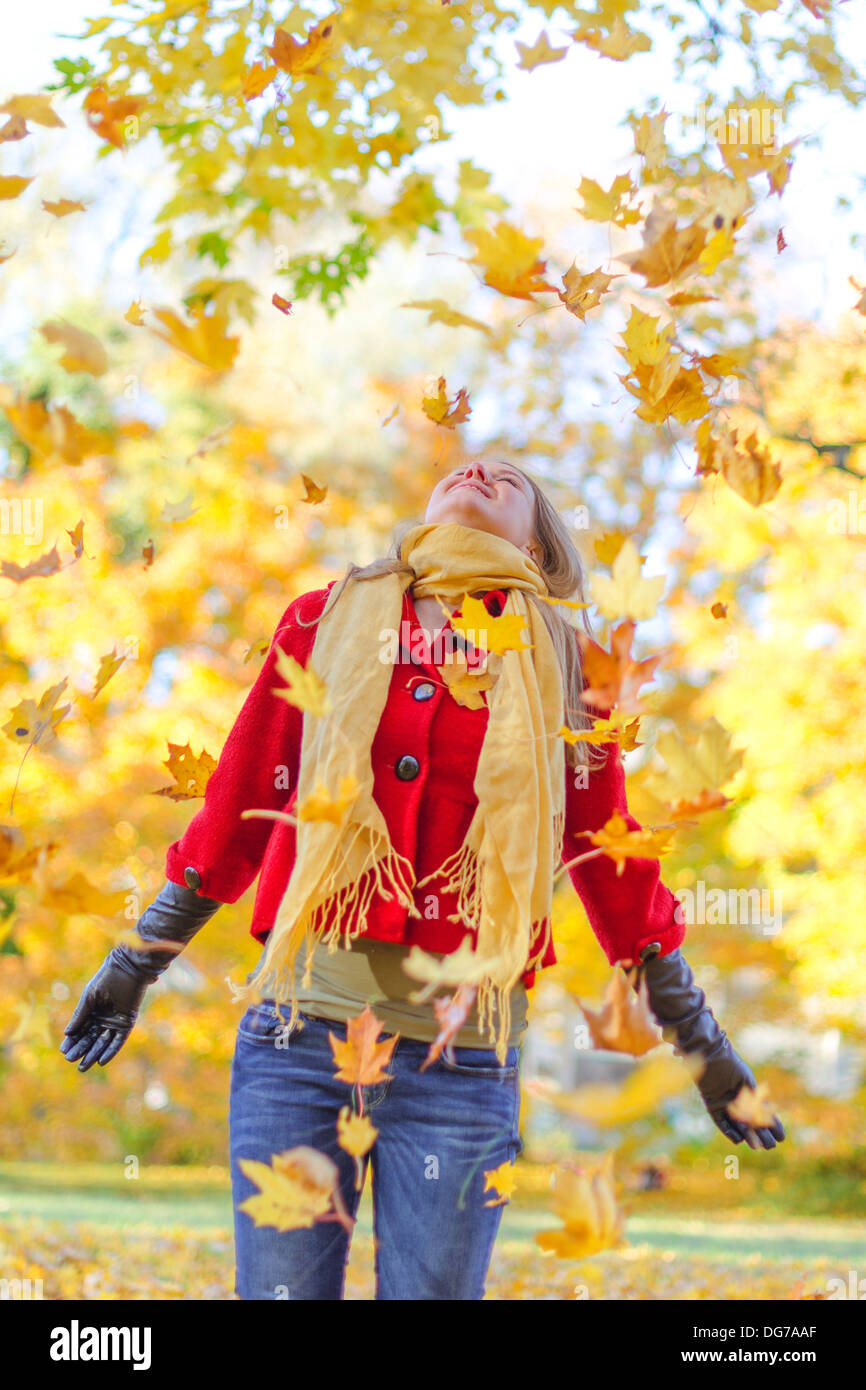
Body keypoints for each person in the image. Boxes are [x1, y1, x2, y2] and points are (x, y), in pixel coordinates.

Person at [60, 458, 784, 1300]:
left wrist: (697, 1039)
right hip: (302, 1041)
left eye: (512, 480)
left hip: (464, 1063)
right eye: (465, 468)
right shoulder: (326, 620)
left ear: (541, 551)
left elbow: (612, 858)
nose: (481, 469)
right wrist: (137, 960)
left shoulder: (572, 671)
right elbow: (244, 797)